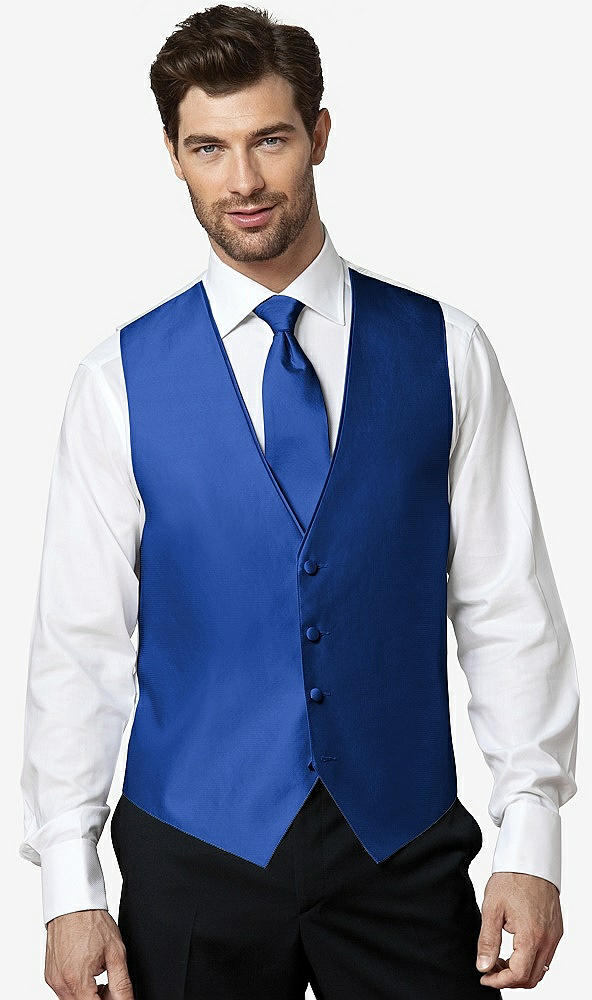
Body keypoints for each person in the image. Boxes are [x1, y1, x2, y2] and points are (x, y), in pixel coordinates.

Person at [20, 5, 579, 998]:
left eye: (269, 140)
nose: (241, 180)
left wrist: (531, 839)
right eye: (209, 147)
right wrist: (71, 886)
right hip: (193, 852)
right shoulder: (115, 381)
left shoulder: (446, 351)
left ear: (319, 135)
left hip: (401, 848)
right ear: (174, 156)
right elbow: (80, 642)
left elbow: (506, 606)